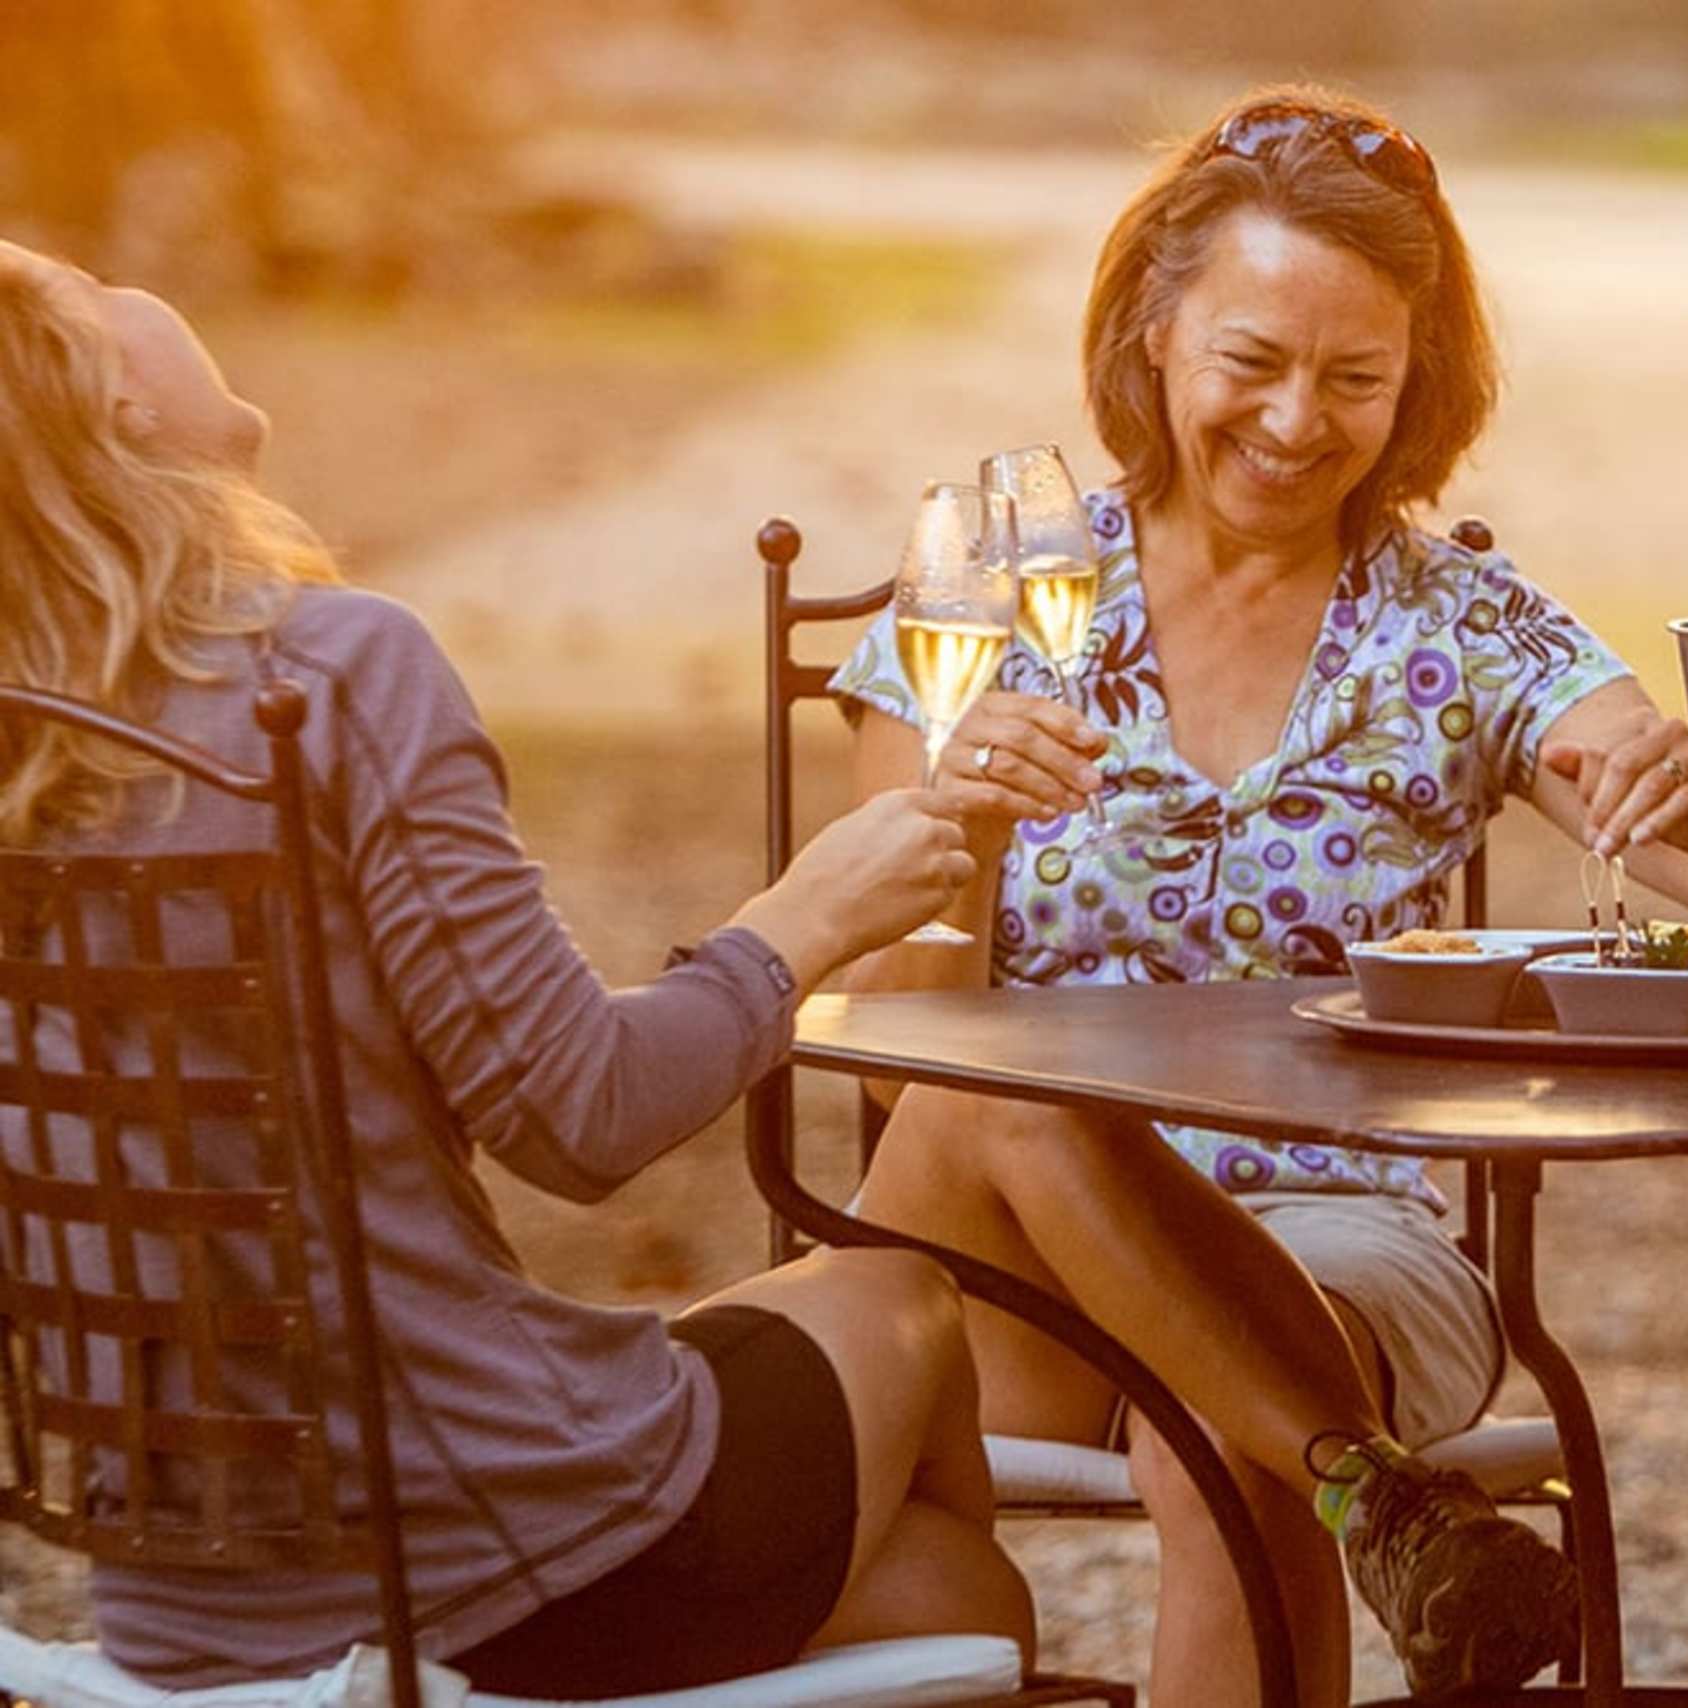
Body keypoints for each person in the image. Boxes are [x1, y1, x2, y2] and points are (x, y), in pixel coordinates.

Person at [0, 238, 1029, 1694]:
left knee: (949, 1590)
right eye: (82, 303)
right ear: (108, 416)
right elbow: (578, 1119)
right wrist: (800, 921)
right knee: (899, 1301)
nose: (116, 288)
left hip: (176, 1607)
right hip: (484, 1562)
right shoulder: (329, 677)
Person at [829, 85, 1688, 1704]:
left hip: (1342, 1235)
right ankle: (1374, 1493)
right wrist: (949, 846)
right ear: (1155, 336)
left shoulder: (1459, 627)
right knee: (995, 1081)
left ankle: (1327, 1468)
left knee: (1220, 1437)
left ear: (1415, 387)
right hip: (998, 1260)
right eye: (1252, 361)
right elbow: (889, 1041)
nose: (1299, 421)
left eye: (1356, 379)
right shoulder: (995, 591)